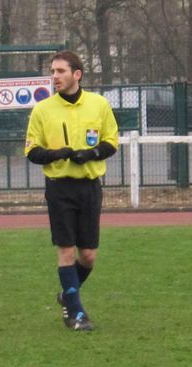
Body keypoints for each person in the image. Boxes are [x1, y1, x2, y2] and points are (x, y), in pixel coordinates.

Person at [24, 50, 118, 331]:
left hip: (89, 187)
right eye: (52, 71)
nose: (55, 76)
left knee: (88, 255)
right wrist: (56, 154)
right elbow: (31, 151)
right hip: (59, 188)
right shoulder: (42, 110)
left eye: (60, 71)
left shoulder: (99, 105)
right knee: (66, 251)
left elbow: (111, 143)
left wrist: (90, 154)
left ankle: (67, 294)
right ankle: (76, 314)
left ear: (77, 74)